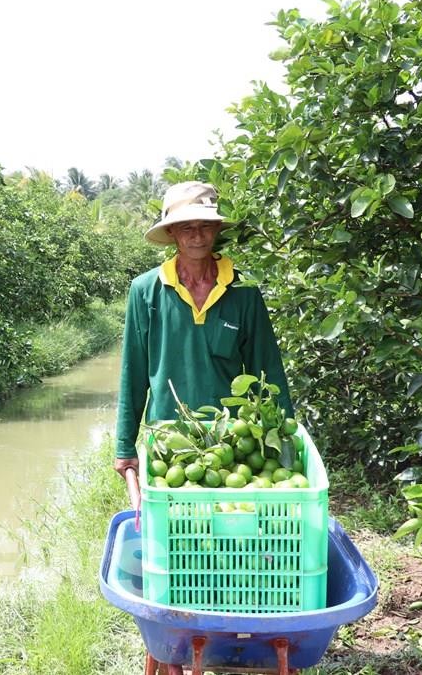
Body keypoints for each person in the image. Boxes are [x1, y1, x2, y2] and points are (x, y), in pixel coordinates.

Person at [114, 181, 293, 478]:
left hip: (233, 446)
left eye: (205, 226)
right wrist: (124, 447)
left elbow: (268, 368)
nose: (197, 236)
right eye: (186, 228)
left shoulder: (243, 289)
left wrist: (286, 440)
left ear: (217, 228)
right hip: (168, 442)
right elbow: (133, 374)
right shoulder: (145, 291)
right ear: (171, 232)